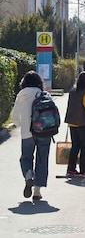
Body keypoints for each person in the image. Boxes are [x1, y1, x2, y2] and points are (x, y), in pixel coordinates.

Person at [12, 71, 52, 201]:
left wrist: (22, 125)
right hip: (43, 132)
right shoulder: (44, 94)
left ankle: (28, 176)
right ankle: (37, 191)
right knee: (42, 159)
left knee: (26, 157)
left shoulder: (21, 95)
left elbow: (15, 118)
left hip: (27, 133)